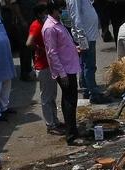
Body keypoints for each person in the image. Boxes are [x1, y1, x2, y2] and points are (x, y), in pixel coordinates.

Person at [43, 0, 84, 143]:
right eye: (59, 11)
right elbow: (52, 53)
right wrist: (62, 73)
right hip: (64, 70)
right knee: (69, 100)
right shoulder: (49, 28)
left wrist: (75, 49)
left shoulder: (57, 24)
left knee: (71, 100)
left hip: (70, 66)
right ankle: (71, 135)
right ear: (52, 11)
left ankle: (73, 130)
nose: (61, 13)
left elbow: (64, 44)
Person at [27, 2, 60, 133]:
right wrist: (39, 49)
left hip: (49, 64)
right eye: (45, 12)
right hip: (43, 66)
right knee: (46, 97)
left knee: (52, 95)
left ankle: (54, 120)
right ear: (40, 14)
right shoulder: (36, 26)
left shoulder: (45, 24)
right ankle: (50, 124)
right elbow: (29, 42)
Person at [74, 0, 112, 102]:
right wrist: (82, 38)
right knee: (89, 66)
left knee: (87, 64)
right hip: (86, 37)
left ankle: (87, 90)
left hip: (89, 36)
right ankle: (93, 94)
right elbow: (76, 17)